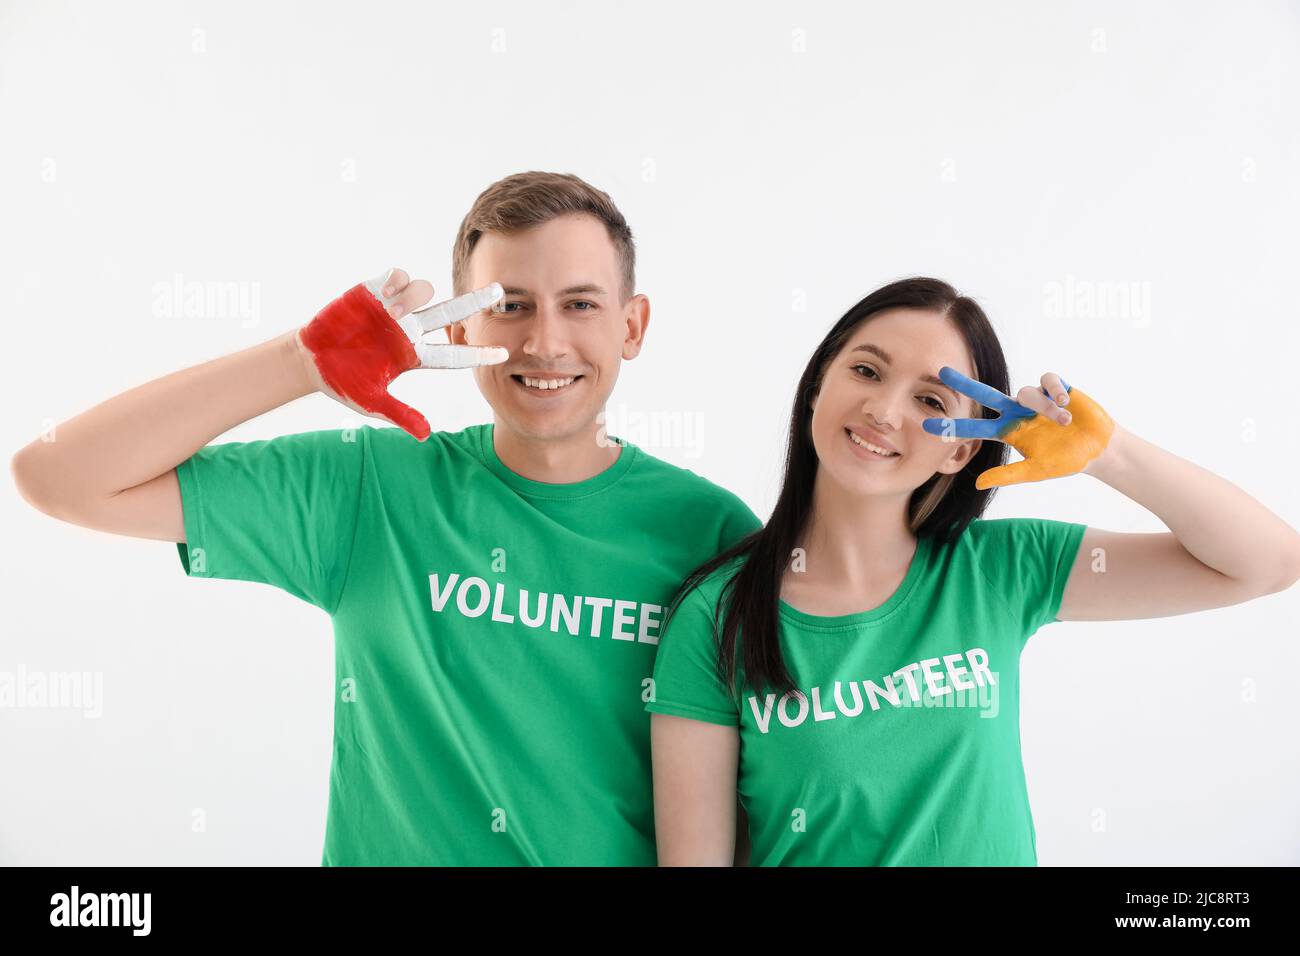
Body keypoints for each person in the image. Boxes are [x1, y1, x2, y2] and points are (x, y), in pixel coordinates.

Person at [11, 171, 760, 865]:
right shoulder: (370, 485)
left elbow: (765, 783)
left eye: (582, 303)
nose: (544, 341)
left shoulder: (713, 531)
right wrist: (300, 362)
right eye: (509, 305)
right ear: (461, 330)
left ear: (633, 326)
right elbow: (58, 476)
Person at [645, 276, 1300, 866]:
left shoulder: (1003, 570)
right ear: (819, 385)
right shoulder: (715, 617)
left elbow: (1267, 563)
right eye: (867, 371)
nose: (884, 410)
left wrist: (1108, 454)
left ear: (961, 449)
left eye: (929, 397)